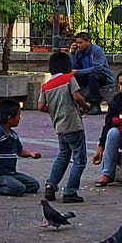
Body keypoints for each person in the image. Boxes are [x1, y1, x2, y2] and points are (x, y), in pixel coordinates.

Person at [39, 49, 90, 203]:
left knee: (63, 156)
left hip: (59, 127)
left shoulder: (46, 86)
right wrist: (85, 105)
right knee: (79, 160)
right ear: (68, 67)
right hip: (73, 125)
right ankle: (70, 191)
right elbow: (76, 96)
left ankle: (50, 185)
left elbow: (41, 106)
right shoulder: (69, 79)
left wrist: (53, 110)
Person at [0, 97, 45, 196]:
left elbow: (19, 151)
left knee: (34, 185)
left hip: (11, 173)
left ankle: (11, 185)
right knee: (19, 188)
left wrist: (31, 154)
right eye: (18, 115)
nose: (20, 119)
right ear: (10, 118)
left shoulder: (13, 135)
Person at [69, 31, 113, 104]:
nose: (79, 45)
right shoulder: (78, 51)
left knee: (92, 76)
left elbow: (97, 68)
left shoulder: (97, 50)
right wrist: (73, 54)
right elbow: (75, 67)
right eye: (77, 43)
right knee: (71, 78)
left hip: (101, 76)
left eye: (81, 43)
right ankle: (78, 102)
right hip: (85, 75)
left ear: (88, 41)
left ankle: (94, 103)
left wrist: (78, 72)